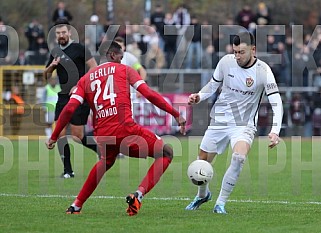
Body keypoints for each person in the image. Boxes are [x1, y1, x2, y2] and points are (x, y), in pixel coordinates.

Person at [45, 41, 186, 216]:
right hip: (126, 131)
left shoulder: (85, 79)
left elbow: (69, 109)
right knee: (166, 153)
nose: (122, 59)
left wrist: (54, 136)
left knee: (105, 161)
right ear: (113, 55)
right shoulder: (125, 70)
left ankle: (76, 205)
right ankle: (138, 195)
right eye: (121, 56)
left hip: (103, 136)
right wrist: (175, 113)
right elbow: (149, 94)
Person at [185, 31, 283, 214]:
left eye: (242, 52)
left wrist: (275, 130)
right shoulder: (226, 62)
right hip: (220, 120)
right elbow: (213, 85)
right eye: (235, 51)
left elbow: (276, 101)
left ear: (253, 50)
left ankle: (220, 203)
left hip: (243, 124)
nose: (237, 56)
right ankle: (202, 195)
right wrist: (199, 96)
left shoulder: (263, 71)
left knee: (239, 157)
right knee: (202, 162)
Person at [43, 18, 98, 178]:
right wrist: (51, 67)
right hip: (63, 97)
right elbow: (45, 75)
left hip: (81, 96)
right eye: (58, 33)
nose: (61, 35)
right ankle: (68, 171)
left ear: (69, 32)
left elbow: (94, 68)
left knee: (77, 136)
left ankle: (103, 151)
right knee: (59, 133)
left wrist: (79, 85)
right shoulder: (55, 51)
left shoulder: (80, 48)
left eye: (63, 32)